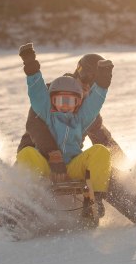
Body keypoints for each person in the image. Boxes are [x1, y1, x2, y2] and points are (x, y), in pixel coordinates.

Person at [16, 53, 136, 225]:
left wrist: (125, 170)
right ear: (77, 73)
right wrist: (53, 155)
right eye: (83, 81)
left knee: (102, 167)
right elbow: (35, 127)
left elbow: (103, 140)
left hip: (71, 163)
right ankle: (15, 211)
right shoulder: (51, 93)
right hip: (37, 158)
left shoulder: (86, 108)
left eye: (91, 86)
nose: (86, 87)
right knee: (23, 166)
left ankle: (134, 208)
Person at [15, 43, 114, 225]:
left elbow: (96, 108)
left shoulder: (82, 117)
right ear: (52, 100)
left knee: (102, 153)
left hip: (73, 167)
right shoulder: (46, 109)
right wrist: (30, 63)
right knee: (26, 154)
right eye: (61, 100)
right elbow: (36, 91)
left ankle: (95, 201)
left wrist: (104, 81)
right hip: (43, 164)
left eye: (71, 101)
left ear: (79, 102)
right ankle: (22, 203)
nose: (66, 105)